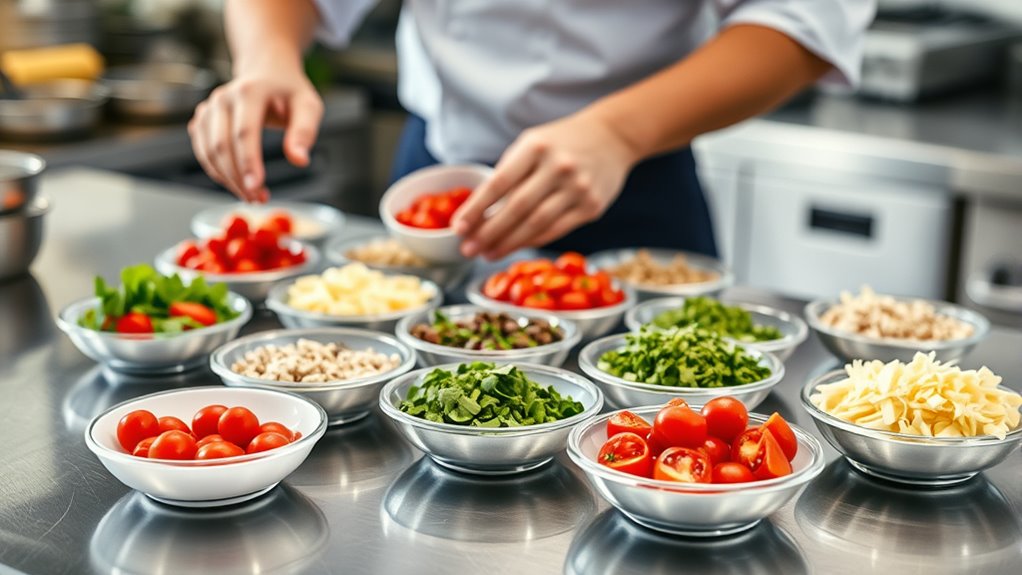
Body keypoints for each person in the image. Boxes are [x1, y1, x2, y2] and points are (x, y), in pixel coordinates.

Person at [189, 0, 874, 260]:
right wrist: (268, 58)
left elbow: (806, 20)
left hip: (638, 175)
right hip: (440, 174)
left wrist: (618, 133)